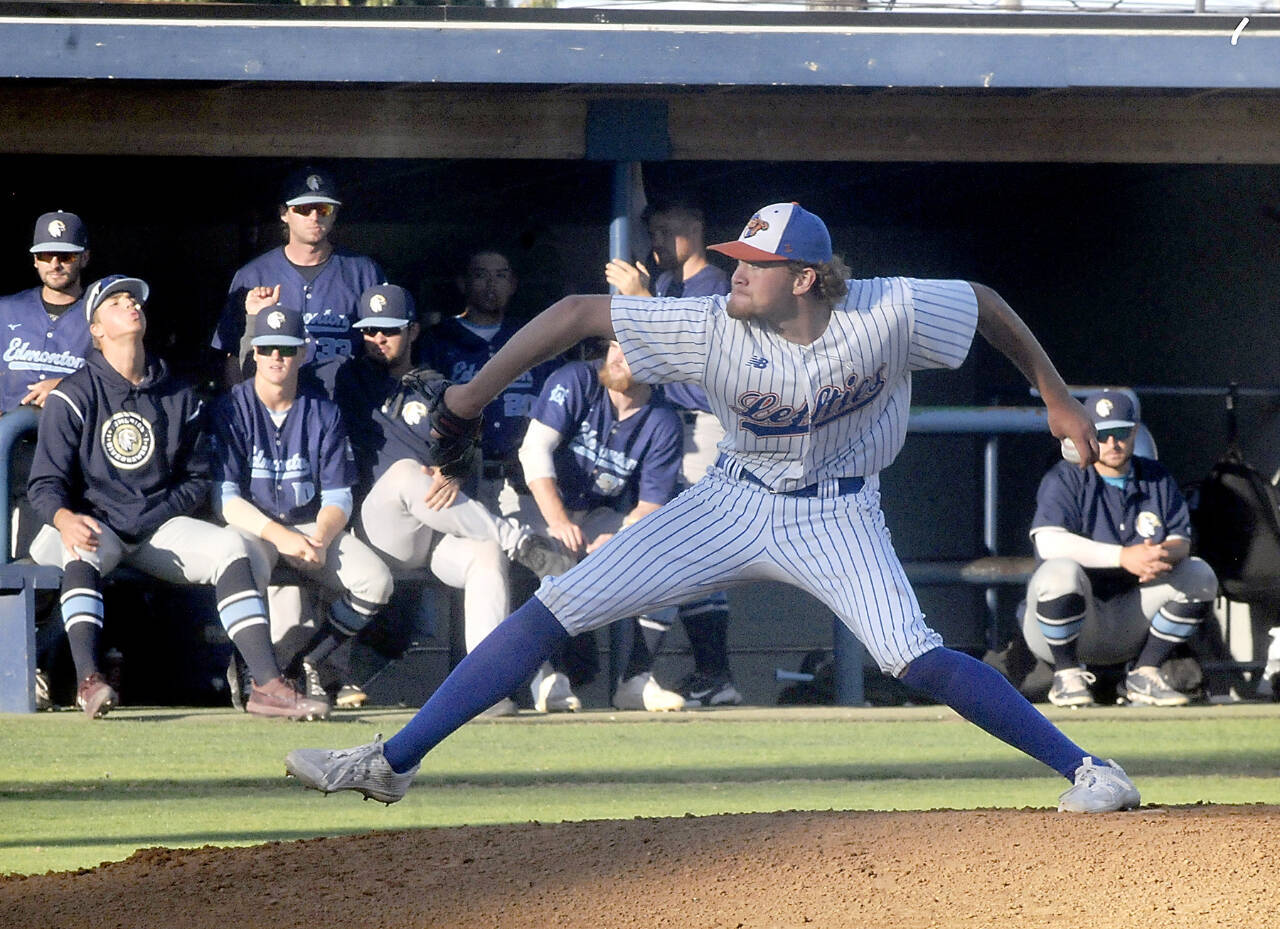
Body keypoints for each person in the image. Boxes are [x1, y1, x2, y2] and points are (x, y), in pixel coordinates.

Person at [284, 201, 1140, 814]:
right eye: (734, 257)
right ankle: (391, 761)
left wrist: (1058, 400)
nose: (733, 272)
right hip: (731, 497)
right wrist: (467, 399)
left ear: (804, 278)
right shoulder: (712, 322)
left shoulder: (888, 308)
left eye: (752, 265)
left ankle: (1090, 766)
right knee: (555, 608)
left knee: (913, 655)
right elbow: (580, 312)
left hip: (839, 514)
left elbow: (985, 303)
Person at [27, 275, 327, 720]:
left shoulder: (179, 392)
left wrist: (149, 514)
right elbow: (44, 484)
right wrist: (66, 517)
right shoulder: (72, 395)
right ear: (96, 328)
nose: (130, 305)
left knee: (231, 546)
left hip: (154, 528)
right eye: (115, 303)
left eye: (134, 299)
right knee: (79, 547)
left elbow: (197, 479)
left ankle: (267, 685)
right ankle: (90, 681)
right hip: (95, 525)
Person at [334, 284, 576, 716]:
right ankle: (516, 540)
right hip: (378, 533)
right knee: (406, 473)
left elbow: (468, 441)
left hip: (435, 529)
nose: (377, 339)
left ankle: (481, 690)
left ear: (411, 332)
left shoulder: (434, 384)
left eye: (388, 330)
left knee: (485, 556)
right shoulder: (348, 378)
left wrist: (454, 466)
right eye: (369, 330)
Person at [212, 305, 394, 711]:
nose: (277, 357)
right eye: (269, 348)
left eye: (287, 349)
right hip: (254, 525)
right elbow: (225, 499)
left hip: (310, 523)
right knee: (239, 560)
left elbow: (338, 496)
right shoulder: (231, 407)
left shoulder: (323, 412)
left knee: (376, 581)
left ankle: (309, 659)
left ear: (304, 353)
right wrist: (283, 537)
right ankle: (253, 669)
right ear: (254, 353)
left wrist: (321, 537)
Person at [606, 198, 740, 707]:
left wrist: (640, 297)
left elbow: (690, 355)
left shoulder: (722, 286)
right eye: (653, 231)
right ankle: (714, 675)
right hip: (662, 428)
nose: (658, 241)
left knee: (683, 550)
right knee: (692, 555)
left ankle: (640, 675)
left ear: (696, 229)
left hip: (706, 427)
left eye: (668, 230)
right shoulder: (661, 283)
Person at [509, 341, 686, 713]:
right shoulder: (577, 379)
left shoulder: (664, 418)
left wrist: (621, 540)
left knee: (666, 557)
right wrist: (557, 520)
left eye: (632, 350)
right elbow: (533, 450)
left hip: (596, 512)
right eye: (614, 345)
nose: (618, 356)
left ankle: (635, 679)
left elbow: (651, 507)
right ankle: (551, 675)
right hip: (531, 500)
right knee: (553, 556)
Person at [1023, 389, 1218, 708]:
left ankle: (1145, 672)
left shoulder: (1155, 477)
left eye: (1121, 433)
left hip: (1129, 617)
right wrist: (1124, 557)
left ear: (1135, 432)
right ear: (1085, 432)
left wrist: (1157, 557)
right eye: (1103, 433)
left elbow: (1181, 539)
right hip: (1070, 626)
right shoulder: (1065, 476)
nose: (1112, 443)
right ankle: (1066, 674)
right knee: (1059, 572)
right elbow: (1048, 541)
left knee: (1199, 573)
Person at [211, 166, 384, 395]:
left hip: (345, 409)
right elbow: (232, 356)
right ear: (284, 213)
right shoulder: (252, 276)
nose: (314, 216)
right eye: (304, 208)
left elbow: (388, 348)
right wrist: (243, 411)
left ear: (335, 214)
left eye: (323, 208)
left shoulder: (363, 272)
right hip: (275, 412)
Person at [419, 248, 562, 514]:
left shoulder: (534, 336)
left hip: (525, 477)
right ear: (463, 283)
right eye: (481, 275)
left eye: (500, 276)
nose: (491, 284)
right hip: (462, 476)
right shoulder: (437, 340)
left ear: (513, 284)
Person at [0, 211, 93, 412]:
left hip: (72, 434)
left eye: (65, 256)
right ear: (35, 260)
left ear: (84, 258)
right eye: (46, 255)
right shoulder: (6, 309)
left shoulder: (100, 315)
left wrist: (68, 387)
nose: (55, 264)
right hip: (9, 435)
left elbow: (119, 377)